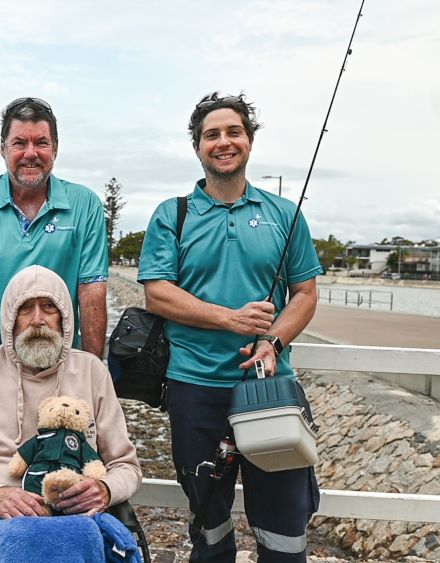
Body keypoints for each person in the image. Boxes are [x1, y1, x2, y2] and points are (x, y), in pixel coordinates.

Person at [138, 93, 323, 563]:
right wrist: (231, 319)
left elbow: (305, 293)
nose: (223, 142)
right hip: (194, 389)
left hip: (269, 389)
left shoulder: (285, 214)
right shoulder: (173, 214)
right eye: (212, 135)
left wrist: (273, 340)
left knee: (285, 528)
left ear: (249, 140)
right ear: (197, 147)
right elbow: (157, 293)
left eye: (233, 132)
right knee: (209, 526)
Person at [0, 265, 141, 559]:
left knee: (79, 533)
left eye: (49, 307)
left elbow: (127, 467)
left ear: (65, 318)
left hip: (78, 517)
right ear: (9, 318)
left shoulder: (91, 372)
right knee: (28, 537)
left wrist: (106, 489)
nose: (37, 320)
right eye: (25, 309)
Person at [0, 97, 109, 391]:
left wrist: (92, 371)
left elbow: (92, 292)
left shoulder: (85, 204)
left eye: (41, 143)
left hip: (57, 353)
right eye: (19, 143)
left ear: (55, 149)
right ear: (3, 148)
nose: (31, 153)